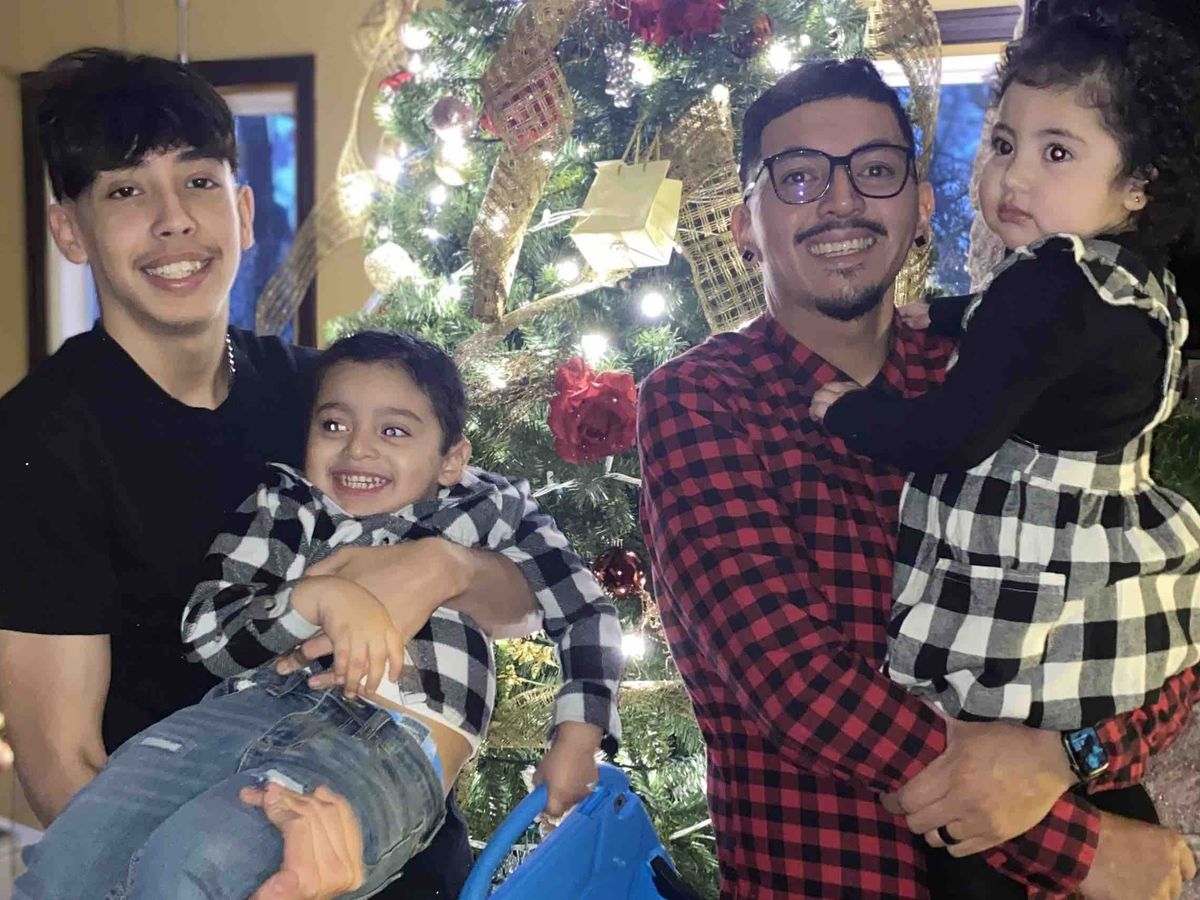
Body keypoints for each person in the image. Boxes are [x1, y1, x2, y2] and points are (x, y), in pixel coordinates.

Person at [0, 48, 581, 900]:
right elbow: (64, 764)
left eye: (198, 182)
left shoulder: (324, 398)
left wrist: (444, 566)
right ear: (70, 231)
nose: (173, 221)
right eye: (126, 191)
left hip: (403, 853)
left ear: (243, 211)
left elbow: (523, 596)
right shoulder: (42, 439)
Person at [637, 57, 1200, 900]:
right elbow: (798, 685)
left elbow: (1160, 627)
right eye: (798, 176)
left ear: (923, 204)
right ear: (742, 225)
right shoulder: (699, 400)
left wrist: (1067, 755)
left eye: (875, 169)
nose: (841, 201)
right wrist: (1084, 852)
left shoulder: (1004, 366)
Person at [807, 13, 1200, 898]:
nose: (1014, 176)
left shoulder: (1050, 288)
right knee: (1087, 772)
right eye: (1004, 143)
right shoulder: (1122, 281)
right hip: (1094, 600)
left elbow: (952, 435)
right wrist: (948, 315)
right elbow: (1036, 338)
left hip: (1018, 594)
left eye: (1057, 152)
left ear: (1138, 183)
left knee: (975, 830)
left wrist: (855, 415)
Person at [14, 330, 623, 898]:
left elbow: (584, 608)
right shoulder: (284, 504)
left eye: (394, 431)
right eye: (334, 424)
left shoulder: (492, 507)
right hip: (239, 714)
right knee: (69, 855)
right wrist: (315, 598)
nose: (358, 448)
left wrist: (577, 737)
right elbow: (208, 631)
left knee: (195, 861)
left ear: (451, 458)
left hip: (389, 742)